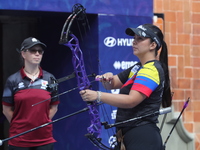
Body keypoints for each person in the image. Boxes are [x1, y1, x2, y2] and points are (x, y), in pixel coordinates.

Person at [79, 24, 172, 150]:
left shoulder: (151, 69)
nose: (134, 41)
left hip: (142, 136)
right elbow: (112, 84)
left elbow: (131, 101)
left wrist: (98, 96)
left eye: (140, 39)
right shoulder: (138, 67)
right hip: (128, 134)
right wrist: (108, 78)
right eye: (134, 38)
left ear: (153, 45)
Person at [2, 37, 59, 150]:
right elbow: (6, 109)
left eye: (40, 51)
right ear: (23, 54)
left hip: (44, 139)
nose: (37, 54)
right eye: (33, 50)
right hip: (19, 140)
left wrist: (41, 122)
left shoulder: (50, 78)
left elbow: (54, 106)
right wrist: (21, 125)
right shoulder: (12, 80)